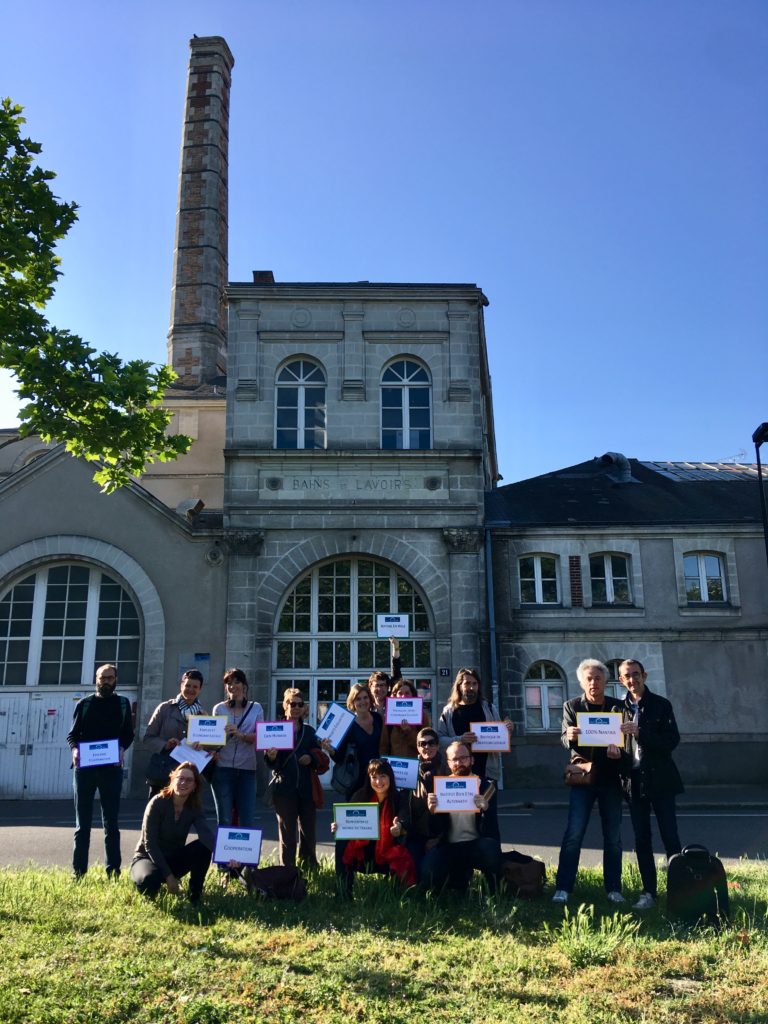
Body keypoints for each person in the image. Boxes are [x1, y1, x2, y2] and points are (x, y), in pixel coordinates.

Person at [552, 659, 626, 905]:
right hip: (583, 778)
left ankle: (614, 888)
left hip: (611, 779)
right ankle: (563, 888)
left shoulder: (618, 707)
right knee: (573, 834)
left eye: (598, 678)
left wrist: (620, 751)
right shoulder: (572, 706)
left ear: (606, 681)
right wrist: (568, 735)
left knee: (613, 837)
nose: (593, 683)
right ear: (582, 682)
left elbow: (627, 741)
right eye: (589, 679)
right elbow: (564, 738)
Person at [618, 658, 684, 910]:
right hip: (633, 783)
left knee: (670, 837)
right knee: (641, 839)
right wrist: (614, 751)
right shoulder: (618, 709)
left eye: (636, 674)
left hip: (661, 780)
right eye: (627, 676)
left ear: (644, 676)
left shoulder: (661, 705)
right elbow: (617, 745)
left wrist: (640, 733)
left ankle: (679, 891)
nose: (632, 679)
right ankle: (649, 893)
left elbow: (670, 742)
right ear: (621, 681)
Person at [67, 663, 134, 879]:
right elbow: (73, 734)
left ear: (116, 679)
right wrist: (75, 750)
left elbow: (128, 734)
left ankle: (113, 872)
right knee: (82, 824)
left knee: (111, 823)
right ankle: (78, 872)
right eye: (102, 677)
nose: (106, 681)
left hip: (111, 770)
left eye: (110, 677)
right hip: (85, 769)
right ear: (96, 679)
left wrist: (122, 748)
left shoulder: (123, 704)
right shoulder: (85, 704)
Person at [420, 740, 502, 894]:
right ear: (449, 763)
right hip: (449, 845)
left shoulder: (486, 787)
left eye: (463, 758)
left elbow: (491, 832)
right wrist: (432, 812)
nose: (459, 763)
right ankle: (451, 885)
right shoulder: (442, 787)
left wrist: (485, 809)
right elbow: (435, 830)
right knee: (427, 871)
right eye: (454, 760)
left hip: (476, 845)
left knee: (490, 850)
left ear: (472, 759)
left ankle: (493, 891)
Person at [130, 762, 214, 903]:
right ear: (172, 780)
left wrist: (225, 857)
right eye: (180, 778)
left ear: (195, 786)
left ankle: (195, 896)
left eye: (189, 780)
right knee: (149, 880)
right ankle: (152, 882)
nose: (183, 783)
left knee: (203, 847)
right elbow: (150, 844)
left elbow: (206, 835)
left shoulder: (194, 807)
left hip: (173, 858)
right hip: (147, 857)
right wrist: (169, 877)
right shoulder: (157, 803)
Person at [332, 758, 415, 896]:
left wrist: (399, 826)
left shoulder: (399, 798)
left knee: (403, 851)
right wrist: (338, 826)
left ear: (390, 778)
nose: (378, 782)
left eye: (383, 776)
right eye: (374, 777)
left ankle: (399, 895)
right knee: (341, 842)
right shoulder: (361, 795)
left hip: (386, 851)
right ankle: (343, 893)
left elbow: (404, 818)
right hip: (363, 851)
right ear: (369, 779)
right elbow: (346, 819)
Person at [265, 687, 327, 869]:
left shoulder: (309, 731)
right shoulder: (275, 729)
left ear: (304, 708)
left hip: (307, 788)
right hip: (284, 788)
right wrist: (272, 756)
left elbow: (319, 756)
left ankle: (309, 868)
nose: (296, 707)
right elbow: (269, 763)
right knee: (287, 834)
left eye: (300, 704)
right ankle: (288, 870)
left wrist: (311, 758)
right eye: (292, 704)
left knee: (308, 832)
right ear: (285, 706)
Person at [436, 667, 513, 782]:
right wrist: (460, 739)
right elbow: (440, 741)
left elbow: (501, 741)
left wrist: (508, 731)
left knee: (487, 800)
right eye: (467, 683)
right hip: (458, 774)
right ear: (459, 686)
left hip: (486, 774)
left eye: (475, 684)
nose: (471, 687)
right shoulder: (448, 711)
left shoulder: (489, 708)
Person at [211, 668, 264, 833]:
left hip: (247, 770)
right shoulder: (219, 709)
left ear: (244, 685)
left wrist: (240, 734)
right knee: (225, 818)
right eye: (229, 683)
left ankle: (245, 859)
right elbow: (213, 739)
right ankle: (224, 859)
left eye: (237, 682)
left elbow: (260, 737)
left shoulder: (256, 708)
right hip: (223, 769)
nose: (233, 686)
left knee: (247, 818)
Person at [143, 669, 207, 794]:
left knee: (185, 812)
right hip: (163, 771)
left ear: (200, 689)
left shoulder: (203, 715)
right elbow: (148, 738)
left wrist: (202, 746)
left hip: (188, 776)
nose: (191, 689)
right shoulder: (165, 708)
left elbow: (208, 745)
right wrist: (165, 744)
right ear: (181, 685)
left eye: (195, 687)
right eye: (187, 685)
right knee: (158, 810)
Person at [321, 682, 383, 799]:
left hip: (379, 778)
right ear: (353, 702)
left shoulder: (377, 718)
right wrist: (331, 750)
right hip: (356, 781)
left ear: (370, 699)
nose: (362, 702)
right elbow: (340, 758)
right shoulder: (346, 724)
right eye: (358, 699)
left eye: (365, 697)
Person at [380, 677, 430, 760]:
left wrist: (409, 731)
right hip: (394, 766)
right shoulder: (388, 718)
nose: (403, 696)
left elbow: (426, 745)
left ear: (413, 695)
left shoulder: (423, 717)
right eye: (400, 693)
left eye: (407, 693)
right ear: (395, 696)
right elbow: (383, 746)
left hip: (417, 765)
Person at [368, 636, 402, 717]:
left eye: (382, 685)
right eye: (376, 685)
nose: (379, 689)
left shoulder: (393, 704)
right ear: (370, 688)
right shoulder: (366, 706)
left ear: (388, 687)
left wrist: (395, 647)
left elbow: (396, 671)